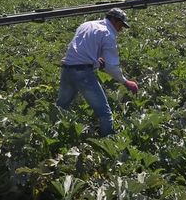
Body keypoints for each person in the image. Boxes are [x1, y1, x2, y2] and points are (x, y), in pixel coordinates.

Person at [56, 8, 138, 136]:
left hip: (67, 68)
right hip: (83, 73)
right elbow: (111, 67)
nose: (120, 29)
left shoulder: (86, 24)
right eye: (120, 25)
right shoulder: (107, 33)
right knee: (105, 114)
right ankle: (108, 144)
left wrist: (95, 59)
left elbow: (78, 47)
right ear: (114, 21)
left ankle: (53, 133)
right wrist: (126, 82)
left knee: (60, 107)